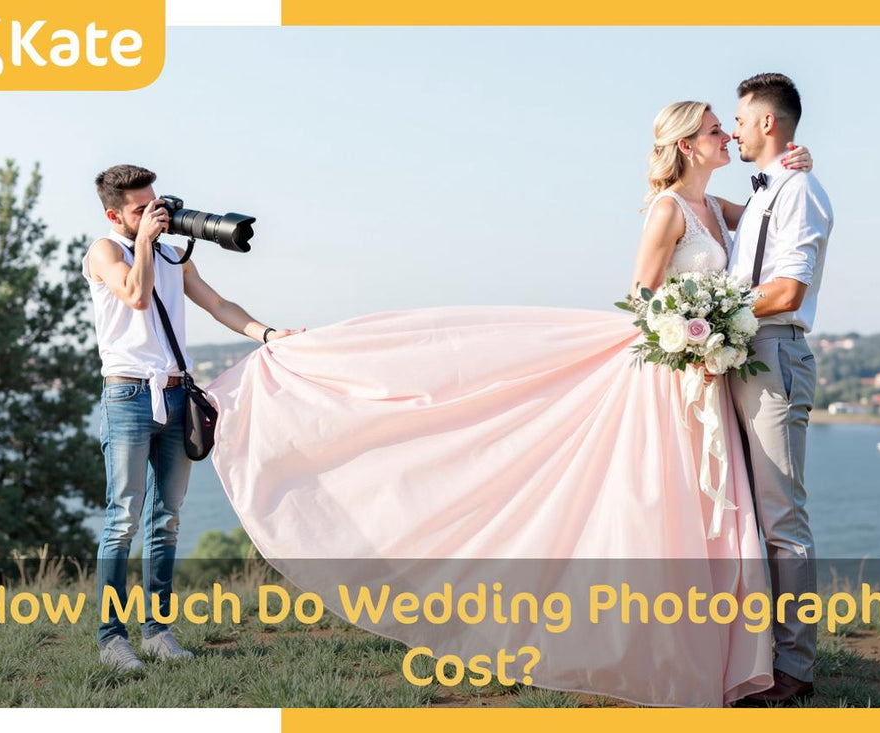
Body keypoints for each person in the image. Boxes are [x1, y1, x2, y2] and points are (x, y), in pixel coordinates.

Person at [206, 102, 814, 706]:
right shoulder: (667, 210)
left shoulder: (717, 208)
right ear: (688, 145)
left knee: (707, 515)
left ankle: (718, 654)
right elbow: (643, 302)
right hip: (671, 377)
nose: (726, 137)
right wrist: (694, 327)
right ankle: (661, 654)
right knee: (664, 508)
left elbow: (766, 208)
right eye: (715, 130)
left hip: (705, 375)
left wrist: (795, 168)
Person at [82, 164, 303, 671]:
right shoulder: (106, 250)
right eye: (140, 209)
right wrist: (144, 245)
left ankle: (158, 630)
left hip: (177, 398)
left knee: (168, 521)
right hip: (129, 399)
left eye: (154, 202)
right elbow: (135, 297)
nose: (154, 213)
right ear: (115, 214)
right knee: (122, 521)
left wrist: (269, 335)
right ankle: (112, 641)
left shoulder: (168, 253)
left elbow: (218, 304)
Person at [725, 73, 833, 706]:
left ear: (769, 123)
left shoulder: (801, 191)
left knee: (782, 521)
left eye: (740, 118)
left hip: (774, 357)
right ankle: (752, 652)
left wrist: (711, 312)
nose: (734, 128)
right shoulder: (765, 191)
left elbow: (787, 291)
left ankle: (795, 672)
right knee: (741, 513)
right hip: (740, 355)